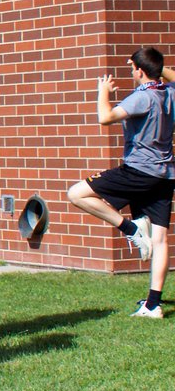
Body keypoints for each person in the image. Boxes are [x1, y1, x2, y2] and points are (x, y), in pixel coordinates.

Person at [68, 47, 174, 317]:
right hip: (164, 175)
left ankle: (130, 228)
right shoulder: (169, 93)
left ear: (140, 71)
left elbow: (105, 118)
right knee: (160, 239)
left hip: (137, 172)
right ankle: (153, 304)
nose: (131, 72)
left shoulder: (142, 97)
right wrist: (155, 65)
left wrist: (103, 91)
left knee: (77, 193)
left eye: (132, 68)